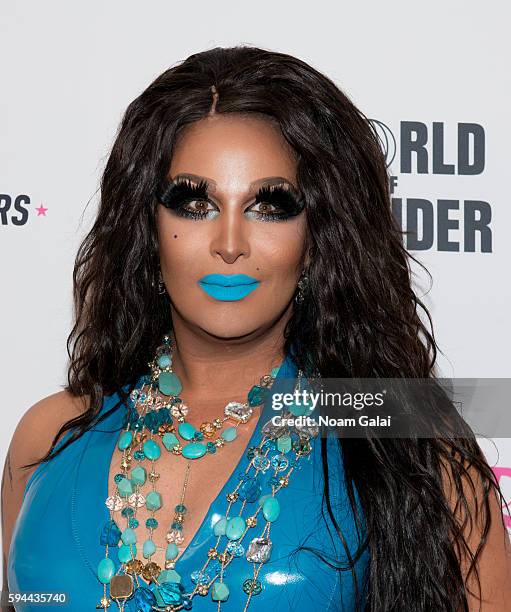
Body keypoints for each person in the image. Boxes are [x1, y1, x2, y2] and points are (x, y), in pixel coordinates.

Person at [2, 45, 510, 612]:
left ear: (320, 238)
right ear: (147, 226)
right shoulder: (48, 436)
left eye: (270, 207)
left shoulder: (406, 445)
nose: (229, 244)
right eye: (194, 204)